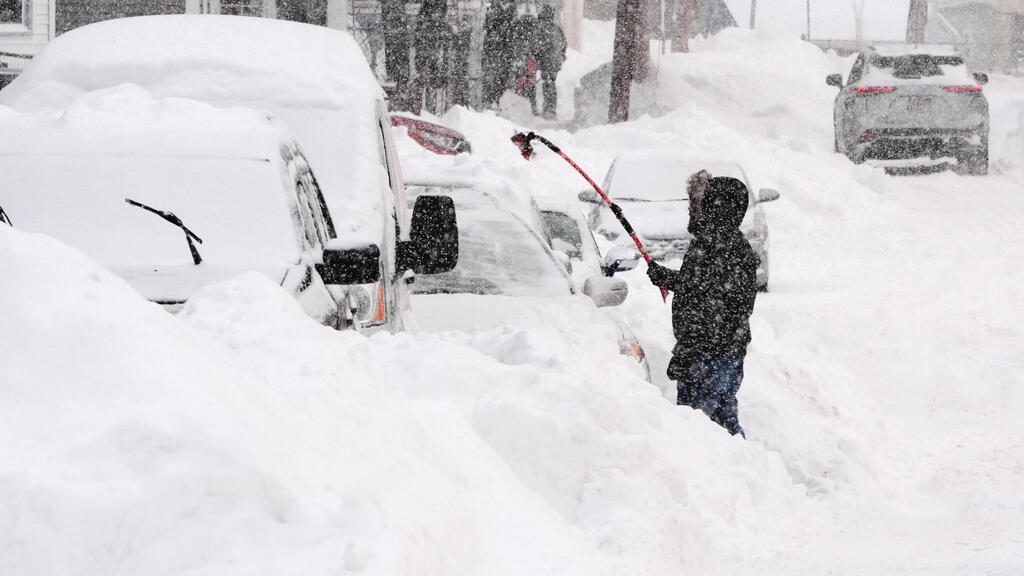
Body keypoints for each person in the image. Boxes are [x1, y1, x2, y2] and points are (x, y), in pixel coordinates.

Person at [646, 173, 759, 437]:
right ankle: (746, 468)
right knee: (723, 420)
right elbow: (705, 288)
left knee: (697, 430)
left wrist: (672, 280)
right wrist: (669, 278)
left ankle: (728, 471)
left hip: (707, 354)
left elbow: (704, 294)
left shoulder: (714, 245)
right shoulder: (733, 245)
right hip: (725, 352)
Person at [533, 4, 566, 120]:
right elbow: (564, 44)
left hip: (548, 62)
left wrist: (537, 58)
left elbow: (539, 47)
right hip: (555, 62)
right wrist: (560, 55)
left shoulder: (543, 29)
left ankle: (549, 111)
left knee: (548, 84)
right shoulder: (556, 28)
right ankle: (550, 109)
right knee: (550, 83)